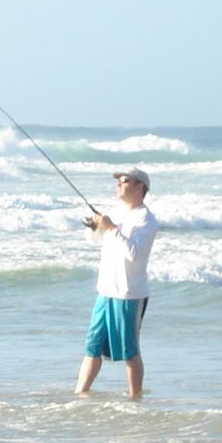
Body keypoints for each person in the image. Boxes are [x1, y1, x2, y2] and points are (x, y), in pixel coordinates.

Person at [76, 167, 159, 398]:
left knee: (129, 351)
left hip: (129, 293)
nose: (118, 185)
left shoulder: (146, 219)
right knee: (92, 346)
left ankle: (135, 398)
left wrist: (111, 227)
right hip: (106, 290)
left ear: (139, 186)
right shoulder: (118, 212)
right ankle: (80, 394)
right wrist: (95, 227)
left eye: (123, 181)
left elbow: (134, 252)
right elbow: (96, 240)